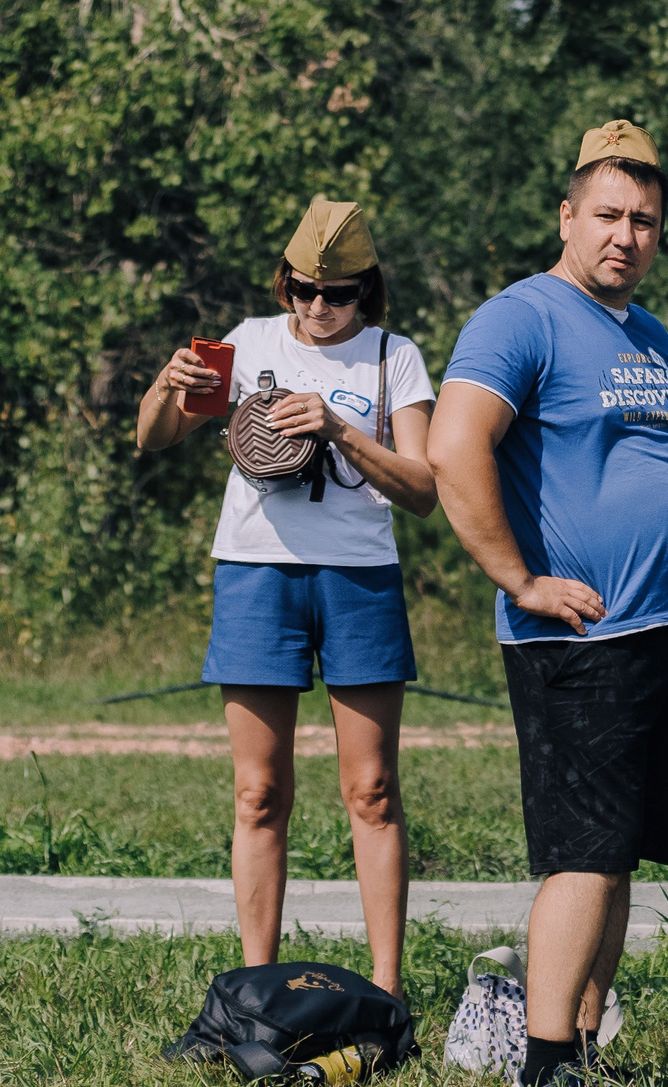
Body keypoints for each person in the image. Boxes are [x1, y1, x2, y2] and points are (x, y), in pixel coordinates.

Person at [426, 120, 668, 1087]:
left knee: (616, 848)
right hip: (575, 635)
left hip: (652, 631)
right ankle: (545, 1067)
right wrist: (521, 576)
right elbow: (454, 450)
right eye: (608, 216)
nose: (626, 236)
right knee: (584, 849)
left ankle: (581, 1042)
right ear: (567, 215)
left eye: (645, 221)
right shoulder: (522, 316)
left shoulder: (646, 332)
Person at [133, 197, 435, 996]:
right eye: (302, 290)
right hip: (255, 571)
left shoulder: (391, 357)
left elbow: (423, 488)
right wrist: (168, 387)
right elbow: (152, 436)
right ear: (285, 283)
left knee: (370, 789)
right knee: (258, 790)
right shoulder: (248, 342)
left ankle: (385, 989)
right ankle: (256, 987)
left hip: (358, 578)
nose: (317, 308)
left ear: (367, 290)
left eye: (337, 294)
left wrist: (340, 429)